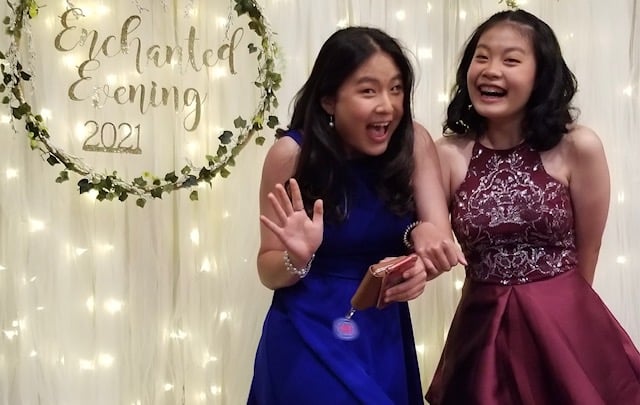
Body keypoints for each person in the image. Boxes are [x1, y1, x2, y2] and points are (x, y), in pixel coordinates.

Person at [414, 9, 640, 404]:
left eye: (511, 60)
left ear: (542, 75)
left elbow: (588, 251)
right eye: (481, 57)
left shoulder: (577, 147)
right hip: (481, 327)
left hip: (566, 320)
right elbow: (431, 236)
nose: (490, 70)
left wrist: (562, 320)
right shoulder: (447, 153)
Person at [247, 26, 460, 404]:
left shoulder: (415, 142)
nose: (387, 105)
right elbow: (268, 270)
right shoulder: (289, 155)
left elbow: (437, 243)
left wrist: (419, 260)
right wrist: (296, 258)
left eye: (396, 89)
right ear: (329, 100)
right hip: (305, 330)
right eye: (368, 90)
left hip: (382, 332)